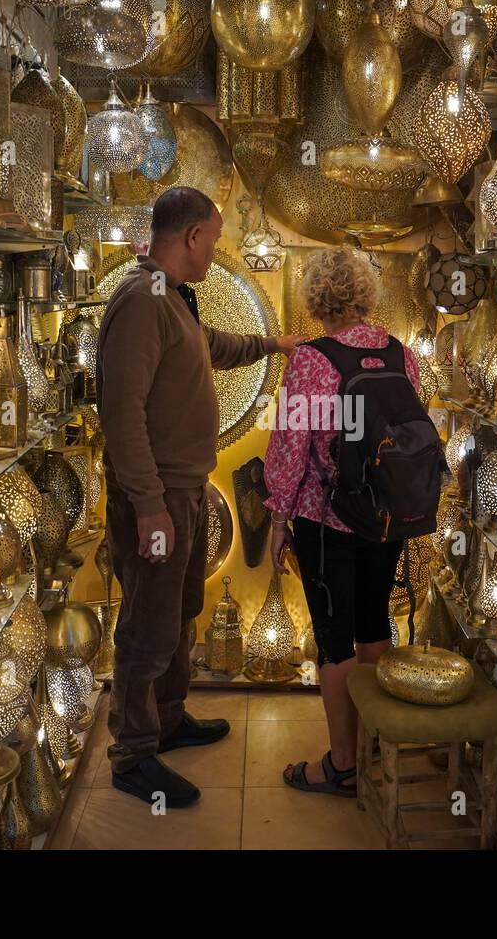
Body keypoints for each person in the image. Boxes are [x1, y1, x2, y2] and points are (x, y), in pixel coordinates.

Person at [95, 186, 304, 808]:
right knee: (146, 628)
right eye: (213, 239)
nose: (216, 251)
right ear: (191, 237)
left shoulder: (170, 299)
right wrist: (151, 506)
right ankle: (133, 754)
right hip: (155, 497)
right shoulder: (140, 302)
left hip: (181, 491)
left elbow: (210, 347)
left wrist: (273, 345)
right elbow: (122, 413)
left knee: (180, 609)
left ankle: (168, 717)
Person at [264, 246, 424, 796]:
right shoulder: (401, 354)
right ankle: (375, 750)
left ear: (317, 300)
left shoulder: (311, 359)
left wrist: (279, 518)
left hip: (325, 516)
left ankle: (341, 765)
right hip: (386, 515)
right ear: (364, 295)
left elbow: (290, 446)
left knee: (335, 641)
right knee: (374, 624)